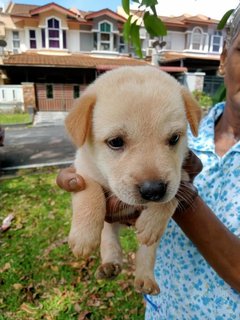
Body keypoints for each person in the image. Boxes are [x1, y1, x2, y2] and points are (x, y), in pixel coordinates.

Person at [56, 5, 240, 319]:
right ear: (223, 58)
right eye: (117, 142)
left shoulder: (183, 122)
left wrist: (178, 204)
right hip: (164, 310)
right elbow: (84, 174)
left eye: (172, 140)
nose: (152, 179)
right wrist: (89, 201)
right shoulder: (191, 128)